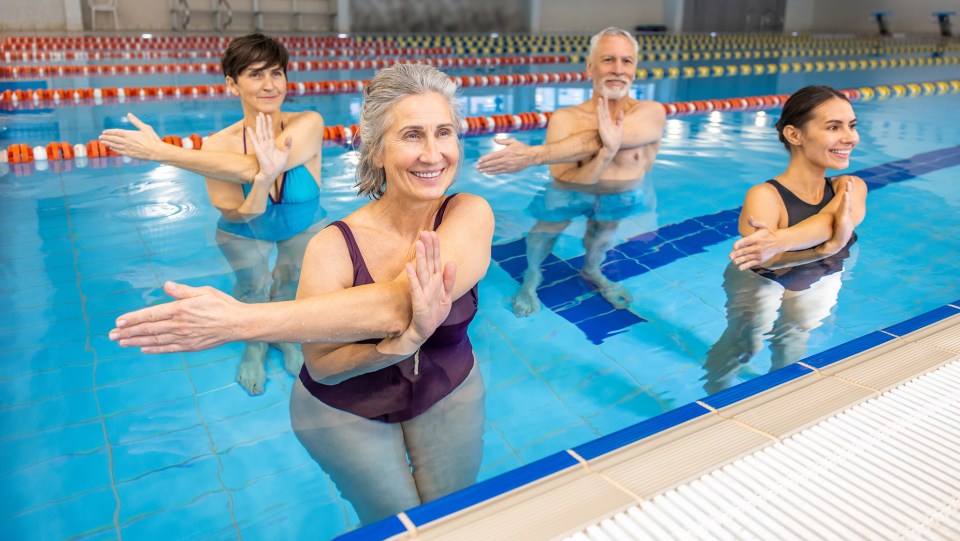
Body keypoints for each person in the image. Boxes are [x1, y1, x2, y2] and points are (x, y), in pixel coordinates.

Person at [109, 63, 495, 526]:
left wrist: (239, 323)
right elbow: (325, 368)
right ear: (375, 150)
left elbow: (401, 303)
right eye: (412, 135)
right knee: (400, 528)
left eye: (444, 132)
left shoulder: (469, 213)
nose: (433, 154)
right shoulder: (332, 247)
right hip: (348, 410)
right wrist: (399, 345)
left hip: (448, 387)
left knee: (455, 521)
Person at [99, 33, 327, 395]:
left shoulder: (308, 123)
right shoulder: (217, 145)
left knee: (290, 283)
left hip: (302, 224)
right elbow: (240, 213)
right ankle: (253, 345)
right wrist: (263, 179)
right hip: (243, 228)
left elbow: (248, 166)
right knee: (252, 288)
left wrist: (162, 152)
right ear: (232, 84)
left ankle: (285, 338)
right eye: (255, 75)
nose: (270, 85)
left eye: (277, 73)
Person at [476, 27, 665, 317]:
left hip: (621, 197)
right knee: (543, 233)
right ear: (590, 66)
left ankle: (592, 270)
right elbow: (567, 177)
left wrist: (531, 155)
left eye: (626, 61)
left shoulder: (651, 111)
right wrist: (606, 153)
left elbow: (601, 137)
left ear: (635, 68)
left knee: (602, 236)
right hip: (570, 193)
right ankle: (531, 278)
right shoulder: (566, 118)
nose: (618, 69)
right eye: (608, 60)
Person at [704, 85, 868, 393]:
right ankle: (715, 395)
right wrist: (829, 246)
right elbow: (767, 261)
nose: (850, 137)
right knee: (745, 344)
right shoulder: (765, 196)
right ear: (795, 135)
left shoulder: (851, 185)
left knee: (793, 341)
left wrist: (782, 240)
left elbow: (825, 223)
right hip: (761, 279)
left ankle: (778, 403)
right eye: (834, 127)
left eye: (852, 125)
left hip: (821, 272)